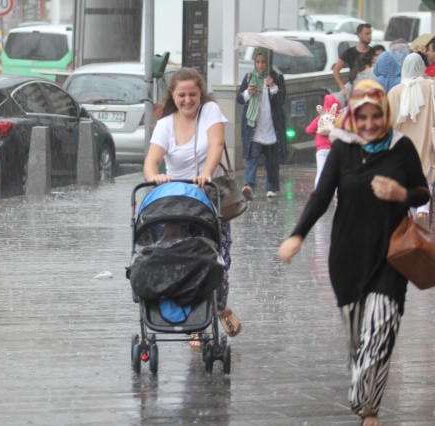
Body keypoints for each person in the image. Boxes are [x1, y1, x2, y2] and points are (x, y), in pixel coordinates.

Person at [278, 79, 429, 426]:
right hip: (347, 257)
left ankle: (368, 408)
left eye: (377, 117)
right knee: (358, 340)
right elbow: (320, 196)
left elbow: (422, 192)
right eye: (363, 117)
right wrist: (297, 235)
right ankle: (364, 392)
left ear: (386, 114)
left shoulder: (401, 147)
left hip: (392, 254)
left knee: (381, 333)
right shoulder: (343, 148)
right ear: (353, 117)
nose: (370, 124)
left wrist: (400, 194)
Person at [143, 67, 242, 341]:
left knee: (216, 257)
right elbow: (151, 162)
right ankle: (193, 320)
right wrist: (156, 178)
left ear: (201, 94)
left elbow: (216, 144)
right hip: (178, 198)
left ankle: (218, 309)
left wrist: (207, 172)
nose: (188, 100)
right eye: (182, 95)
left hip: (208, 193)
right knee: (180, 256)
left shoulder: (210, 111)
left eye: (193, 95)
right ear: (172, 95)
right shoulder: (165, 125)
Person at [387, 52, 435, 227]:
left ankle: (409, 215)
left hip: (402, 144)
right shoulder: (431, 87)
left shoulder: (394, 92)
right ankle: (423, 210)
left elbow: (388, 123)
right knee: (426, 177)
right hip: (426, 139)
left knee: (406, 179)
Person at [237, 47, 287, 199]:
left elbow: (281, 100)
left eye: (264, 62)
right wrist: (248, 93)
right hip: (254, 126)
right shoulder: (249, 77)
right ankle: (249, 186)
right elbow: (239, 99)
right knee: (252, 158)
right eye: (258, 62)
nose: (261, 65)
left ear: (269, 62)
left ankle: (271, 187)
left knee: (272, 160)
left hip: (271, 126)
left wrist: (273, 86)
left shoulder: (276, 77)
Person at [305, 93, 341, 188]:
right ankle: (338, 195)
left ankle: (318, 192)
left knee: (321, 171)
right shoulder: (339, 118)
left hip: (321, 149)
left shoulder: (320, 118)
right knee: (336, 172)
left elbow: (308, 130)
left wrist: (318, 130)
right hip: (335, 149)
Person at [333, 23, 372, 102]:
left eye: (370, 33)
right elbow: (336, 70)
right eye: (367, 33)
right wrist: (343, 89)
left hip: (369, 90)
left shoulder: (373, 52)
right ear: (359, 35)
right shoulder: (349, 52)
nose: (369, 36)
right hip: (353, 89)